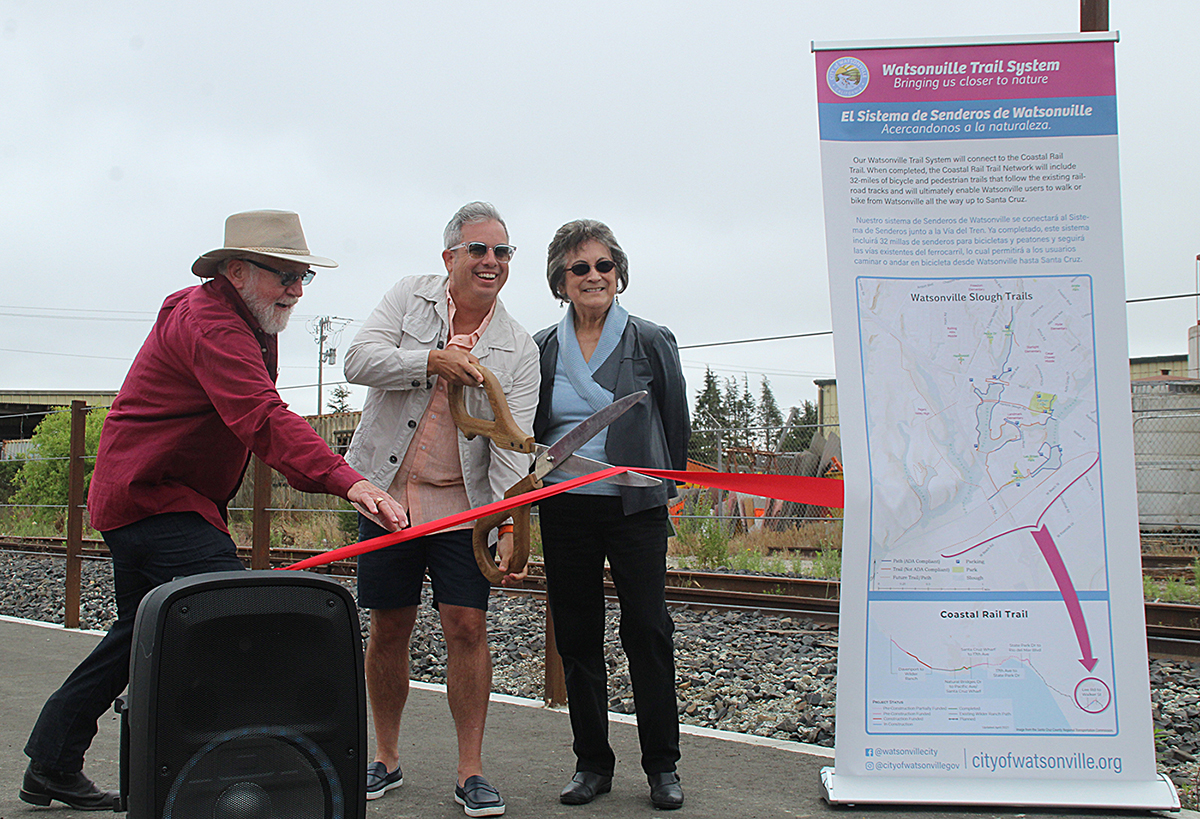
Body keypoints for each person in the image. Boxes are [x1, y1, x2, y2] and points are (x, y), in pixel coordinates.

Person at [19, 210, 406, 811]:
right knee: (222, 621)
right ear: (236, 270)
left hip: (159, 497)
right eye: (285, 276)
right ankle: (221, 773)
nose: (297, 291)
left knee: (139, 638)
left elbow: (256, 411)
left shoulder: (247, 315)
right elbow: (261, 415)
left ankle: (53, 762)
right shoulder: (214, 325)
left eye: (304, 277)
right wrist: (347, 480)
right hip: (155, 498)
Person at [343, 201, 538, 817]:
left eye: (501, 252)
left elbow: (513, 441)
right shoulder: (408, 298)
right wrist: (430, 361)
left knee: (467, 626)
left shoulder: (518, 345)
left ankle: (470, 771)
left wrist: (505, 523)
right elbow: (358, 362)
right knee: (390, 625)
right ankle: (386, 758)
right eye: (478, 250)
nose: (490, 262)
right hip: (387, 496)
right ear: (449, 255)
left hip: (463, 508)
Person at [533, 219, 690, 810]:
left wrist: (668, 483)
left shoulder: (651, 339)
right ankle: (592, 763)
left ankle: (662, 768)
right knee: (577, 635)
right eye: (580, 268)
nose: (594, 276)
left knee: (647, 630)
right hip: (564, 507)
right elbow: (531, 425)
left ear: (619, 274)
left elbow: (674, 418)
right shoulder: (544, 347)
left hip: (635, 507)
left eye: (604, 265)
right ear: (561, 281)